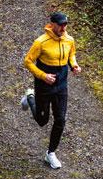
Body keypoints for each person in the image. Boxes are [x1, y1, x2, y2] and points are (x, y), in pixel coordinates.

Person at [20, 11, 81, 168]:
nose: (63, 27)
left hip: (61, 85)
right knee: (42, 120)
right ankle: (30, 98)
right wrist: (42, 75)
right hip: (44, 85)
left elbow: (71, 55)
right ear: (52, 24)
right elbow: (28, 61)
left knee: (60, 119)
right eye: (60, 24)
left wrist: (74, 65)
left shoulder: (69, 40)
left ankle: (51, 153)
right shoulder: (41, 42)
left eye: (65, 24)